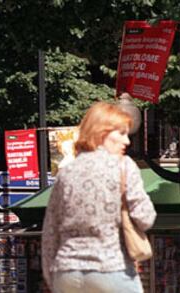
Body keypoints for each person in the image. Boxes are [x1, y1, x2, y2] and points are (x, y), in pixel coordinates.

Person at [41, 101, 156, 293]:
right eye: (121, 133)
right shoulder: (123, 165)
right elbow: (145, 218)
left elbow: (50, 232)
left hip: (67, 272)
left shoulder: (66, 172)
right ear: (102, 133)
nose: (127, 141)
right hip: (110, 268)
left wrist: (53, 278)